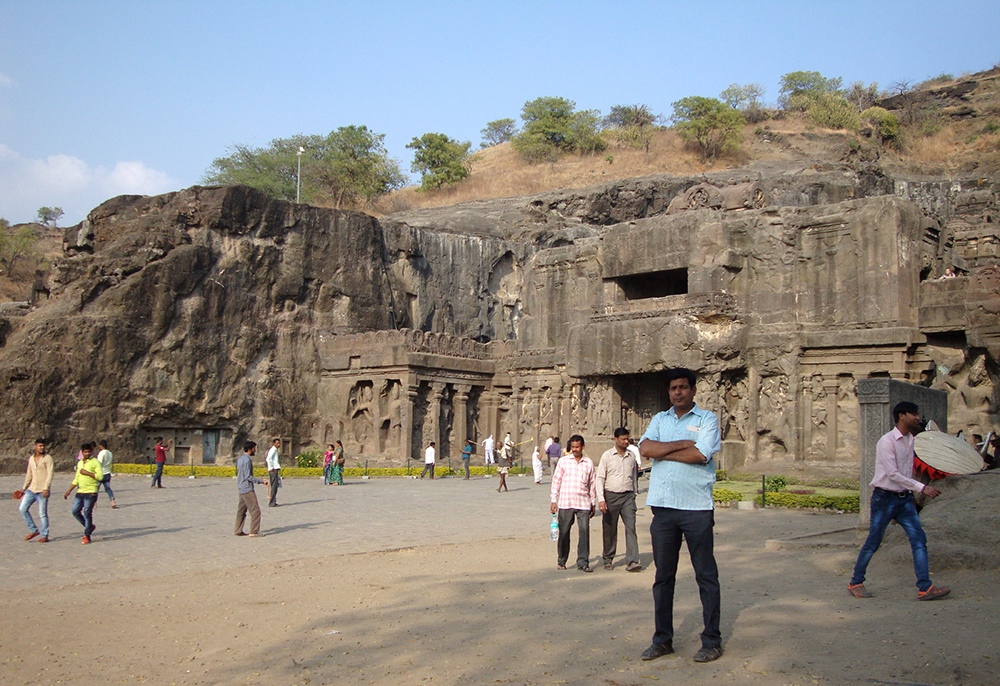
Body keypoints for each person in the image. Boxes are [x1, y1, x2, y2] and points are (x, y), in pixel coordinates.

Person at [638, 367, 723, 664]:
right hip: (663, 509)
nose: (678, 392)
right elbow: (645, 448)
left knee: (706, 576)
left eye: (683, 387)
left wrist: (663, 452)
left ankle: (712, 641)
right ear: (668, 391)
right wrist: (682, 445)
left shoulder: (707, 419)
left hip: (696, 508)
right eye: (673, 388)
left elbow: (700, 454)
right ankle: (662, 640)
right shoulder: (659, 419)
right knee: (663, 578)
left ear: (693, 390)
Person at [848, 401, 951, 601]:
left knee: (919, 540)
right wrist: (923, 488)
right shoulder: (886, 441)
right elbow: (893, 474)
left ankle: (925, 587)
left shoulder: (911, 440)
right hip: (884, 499)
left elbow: (907, 472)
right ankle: (856, 582)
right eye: (913, 414)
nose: (917, 417)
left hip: (904, 499)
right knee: (873, 542)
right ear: (902, 416)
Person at [597, 427, 642, 572]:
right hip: (611, 496)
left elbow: (634, 476)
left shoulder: (631, 456)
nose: (626, 441)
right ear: (615, 439)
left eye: (627, 439)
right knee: (610, 529)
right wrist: (601, 499)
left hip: (628, 496)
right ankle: (608, 558)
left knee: (631, 527)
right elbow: (600, 478)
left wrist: (634, 492)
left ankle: (633, 560)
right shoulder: (607, 456)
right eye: (623, 439)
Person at [549, 435, 596, 572]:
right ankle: (562, 560)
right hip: (566, 502)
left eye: (577, 447)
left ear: (582, 447)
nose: (575, 449)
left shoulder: (589, 463)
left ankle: (583, 562)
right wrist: (553, 500)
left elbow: (592, 484)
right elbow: (556, 481)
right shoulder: (563, 461)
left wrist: (593, 502)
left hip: (583, 503)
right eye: (573, 447)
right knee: (564, 532)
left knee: (584, 532)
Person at [64, 443, 103, 544]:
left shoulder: (95, 462)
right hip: (80, 491)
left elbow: (100, 477)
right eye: (85, 452)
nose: (87, 453)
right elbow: (76, 478)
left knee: (87, 513)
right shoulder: (80, 463)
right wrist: (69, 491)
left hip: (91, 491)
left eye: (89, 452)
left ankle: (87, 535)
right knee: (75, 511)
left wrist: (87, 473)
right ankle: (89, 526)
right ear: (82, 452)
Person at [18, 438, 54, 543]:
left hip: (42, 490)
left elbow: (50, 474)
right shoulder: (31, 459)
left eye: (43, 446)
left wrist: (46, 488)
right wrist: (23, 488)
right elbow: (29, 474)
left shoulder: (48, 458)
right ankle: (33, 530)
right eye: (40, 446)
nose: (42, 448)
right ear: (35, 447)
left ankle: (45, 535)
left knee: (42, 513)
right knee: (22, 509)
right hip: (31, 489)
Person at [235, 441, 267, 537]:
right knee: (255, 510)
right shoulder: (247, 460)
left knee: (241, 511)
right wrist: (261, 481)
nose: (255, 450)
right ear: (249, 449)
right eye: (254, 448)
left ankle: (238, 530)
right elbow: (248, 476)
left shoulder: (240, 459)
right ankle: (254, 531)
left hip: (241, 487)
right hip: (247, 488)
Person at [95, 439, 117, 508]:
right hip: (107, 473)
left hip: (101, 473)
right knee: (108, 488)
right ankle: (112, 501)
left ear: (101, 446)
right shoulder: (110, 453)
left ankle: (94, 503)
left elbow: (99, 463)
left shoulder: (102, 453)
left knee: (95, 489)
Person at [265, 438, 281, 506]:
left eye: (279, 443)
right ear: (273, 444)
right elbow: (268, 459)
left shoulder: (275, 450)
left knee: (275, 485)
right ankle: (272, 502)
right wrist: (271, 467)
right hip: (273, 469)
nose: (279, 444)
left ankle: (273, 501)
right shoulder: (273, 450)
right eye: (277, 443)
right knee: (274, 485)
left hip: (274, 468)